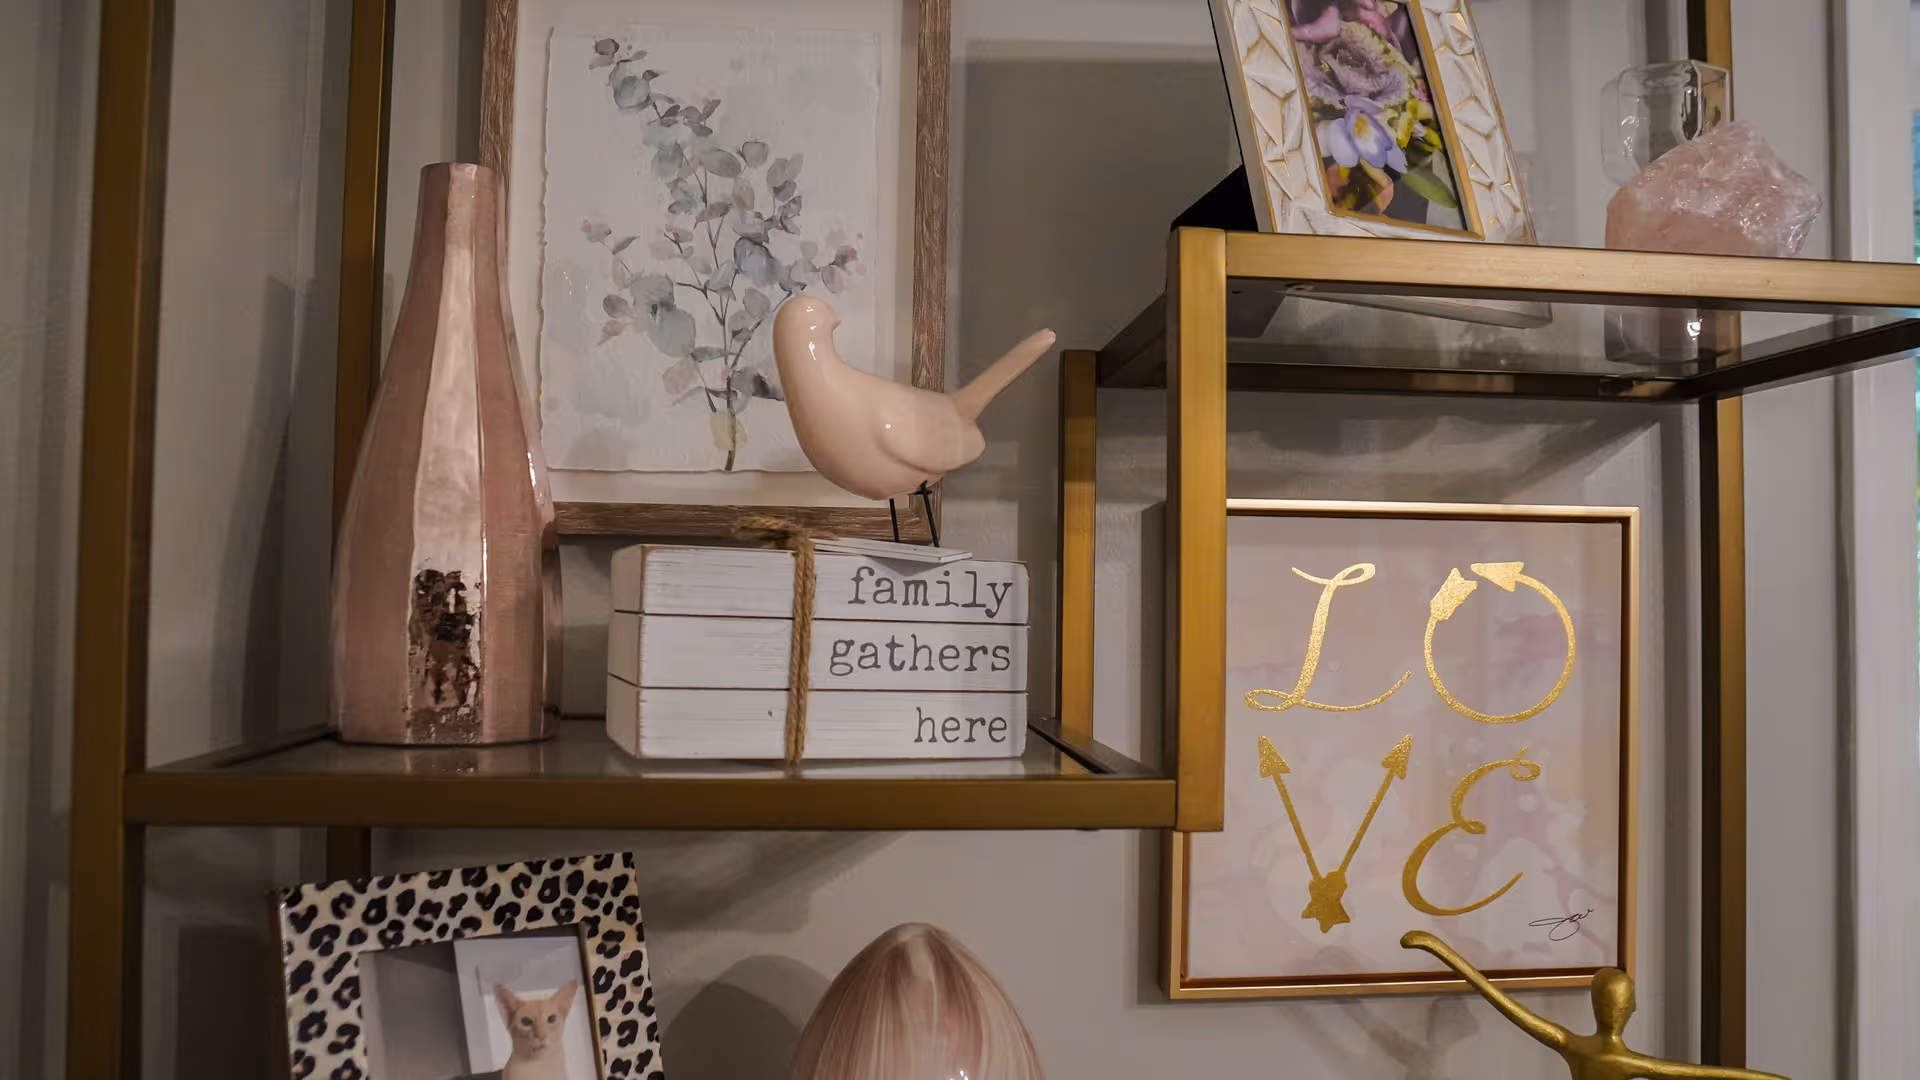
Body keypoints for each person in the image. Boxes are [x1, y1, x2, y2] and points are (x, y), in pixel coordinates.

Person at [1401, 931, 1789, 1080]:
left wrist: (1438, 948)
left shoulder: (1573, 1045)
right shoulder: (1620, 1060)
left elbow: (1501, 1001)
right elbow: (1702, 1075)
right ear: (1629, 1009)